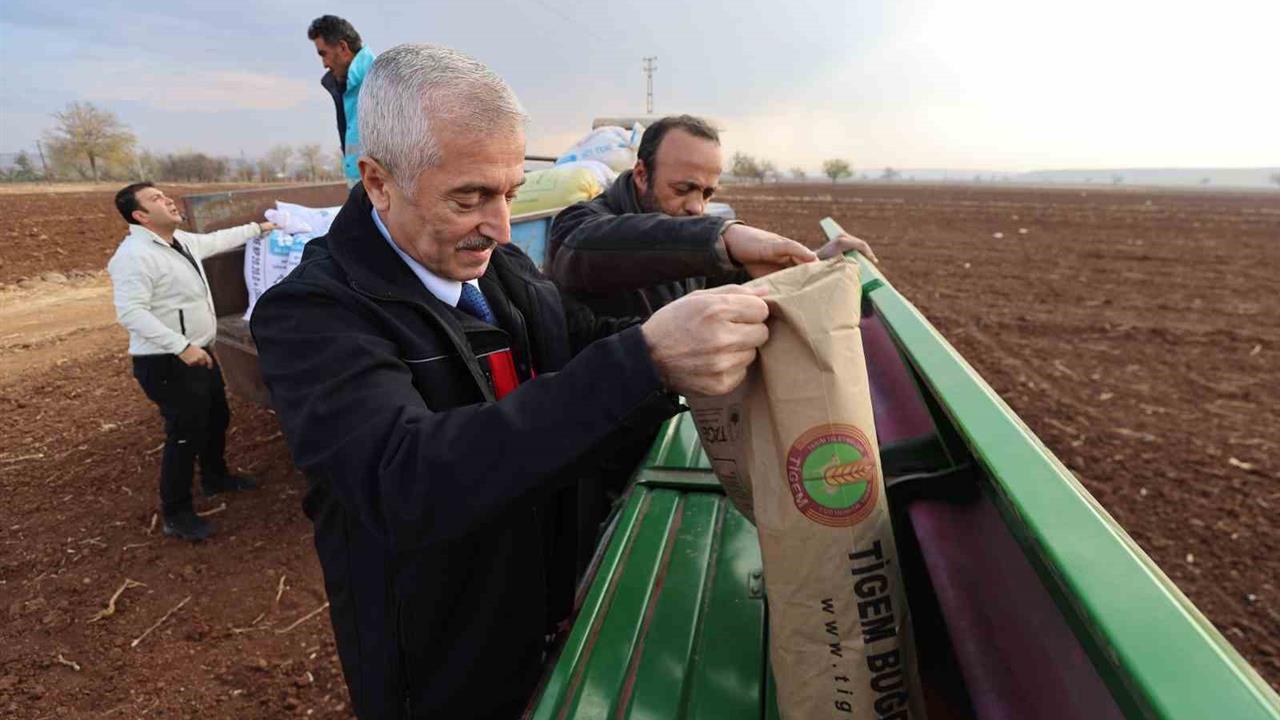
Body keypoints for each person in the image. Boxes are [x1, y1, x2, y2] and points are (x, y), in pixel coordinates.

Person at [251, 44, 788, 718]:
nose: (500, 227)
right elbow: (407, 479)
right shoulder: (314, 315)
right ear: (379, 181)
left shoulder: (494, 267)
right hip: (441, 661)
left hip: (542, 604)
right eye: (469, 197)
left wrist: (699, 324)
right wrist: (643, 360)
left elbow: (575, 339)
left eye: (509, 193)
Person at [547, 114, 880, 318]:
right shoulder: (578, 226)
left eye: (707, 193)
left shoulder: (690, 239)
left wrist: (815, 264)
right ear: (641, 175)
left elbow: (746, 284)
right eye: (683, 188)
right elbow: (585, 247)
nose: (697, 207)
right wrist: (722, 236)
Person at [107, 183, 276, 541]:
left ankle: (215, 477)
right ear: (140, 216)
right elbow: (131, 313)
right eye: (155, 199)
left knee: (217, 417)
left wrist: (260, 229)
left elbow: (217, 240)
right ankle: (176, 512)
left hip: (198, 352)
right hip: (167, 362)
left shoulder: (179, 242)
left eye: (163, 195)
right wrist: (181, 346)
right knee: (184, 434)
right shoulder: (135, 256)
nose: (166, 199)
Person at [308, 15, 375, 186]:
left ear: (343, 48)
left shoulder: (382, 80)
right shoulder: (344, 87)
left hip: (382, 197)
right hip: (364, 194)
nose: (324, 64)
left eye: (324, 54)